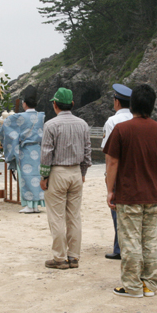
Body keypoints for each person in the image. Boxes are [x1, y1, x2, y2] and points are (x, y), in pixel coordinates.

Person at [103, 84, 157, 298]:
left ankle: (132, 285)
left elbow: (112, 162)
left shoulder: (122, 130)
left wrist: (109, 190)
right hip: (153, 194)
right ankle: (149, 284)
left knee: (130, 240)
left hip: (129, 194)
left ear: (132, 105)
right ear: (151, 106)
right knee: (149, 240)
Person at [39, 87, 92, 270]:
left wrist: (44, 176)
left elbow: (46, 153)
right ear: (72, 104)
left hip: (58, 172)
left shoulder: (51, 125)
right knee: (74, 216)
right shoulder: (83, 124)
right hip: (76, 172)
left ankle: (60, 258)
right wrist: (83, 173)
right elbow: (87, 152)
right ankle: (74, 257)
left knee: (57, 217)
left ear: (55, 104)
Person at [0, 91, 45, 213]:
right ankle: (36, 205)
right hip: (38, 149)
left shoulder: (19, 117)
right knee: (37, 176)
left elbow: (6, 125)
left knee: (26, 177)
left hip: (25, 150)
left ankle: (30, 205)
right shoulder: (41, 116)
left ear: (24, 104)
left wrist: (11, 141)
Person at [101, 84, 133, 260]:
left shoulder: (112, 122)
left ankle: (119, 247)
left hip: (118, 171)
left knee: (116, 209)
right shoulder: (136, 119)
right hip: (134, 169)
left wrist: (108, 178)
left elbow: (108, 154)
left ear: (117, 102)